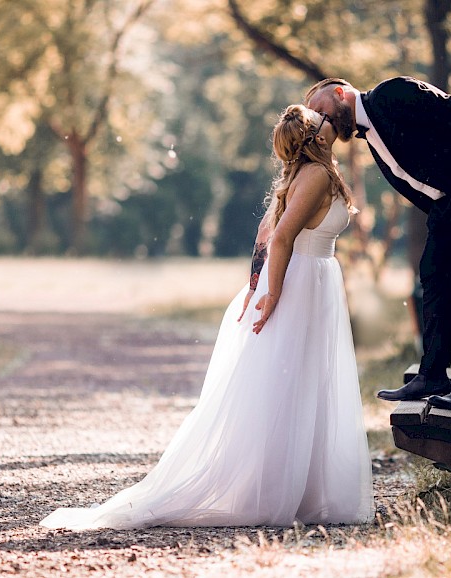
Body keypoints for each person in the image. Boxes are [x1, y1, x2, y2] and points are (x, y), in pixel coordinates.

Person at [40, 105, 373, 530]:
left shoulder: (304, 176)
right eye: (322, 119)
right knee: (292, 383)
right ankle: (276, 490)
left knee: (300, 383)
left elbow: (264, 236)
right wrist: (269, 294)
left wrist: (256, 286)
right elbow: (283, 236)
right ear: (318, 137)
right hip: (301, 282)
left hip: (310, 281)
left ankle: (303, 488)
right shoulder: (317, 176)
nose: (330, 120)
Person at [305, 77, 451, 414]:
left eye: (320, 110)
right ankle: (432, 375)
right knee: (434, 278)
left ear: (340, 93)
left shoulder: (392, 94)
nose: (321, 120)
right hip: (447, 201)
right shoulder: (371, 134)